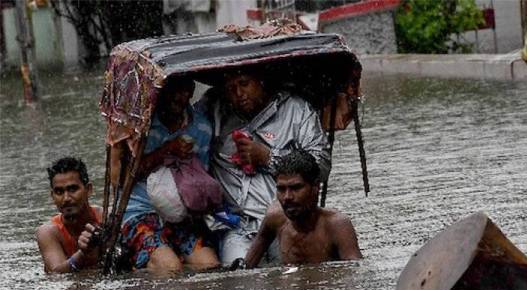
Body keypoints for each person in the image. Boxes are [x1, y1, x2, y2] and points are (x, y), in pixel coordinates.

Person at [198, 67, 331, 266]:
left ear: (261, 81)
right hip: (235, 226)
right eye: (231, 88)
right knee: (238, 282)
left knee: (292, 276)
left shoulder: (296, 109)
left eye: (244, 84)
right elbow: (184, 130)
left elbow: (321, 165)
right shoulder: (213, 108)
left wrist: (269, 157)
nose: (239, 94)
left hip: (286, 222)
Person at [111, 75, 219, 274]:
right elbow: (118, 180)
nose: (178, 97)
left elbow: (200, 179)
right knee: (170, 268)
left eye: (185, 90)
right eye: (172, 90)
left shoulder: (201, 127)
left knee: (210, 265)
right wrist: (165, 152)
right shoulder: (139, 127)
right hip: (139, 211)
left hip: (181, 215)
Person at [245, 151, 362, 268]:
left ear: (316, 187)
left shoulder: (337, 226)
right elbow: (246, 267)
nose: (287, 197)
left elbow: (354, 275)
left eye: (296, 188)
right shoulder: (274, 218)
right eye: (281, 189)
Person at [36, 157, 103, 273]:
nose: (66, 198)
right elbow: (56, 273)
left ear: (88, 190)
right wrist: (83, 253)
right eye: (59, 192)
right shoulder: (49, 232)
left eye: (73, 189)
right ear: (52, 196)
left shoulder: (105, 218)